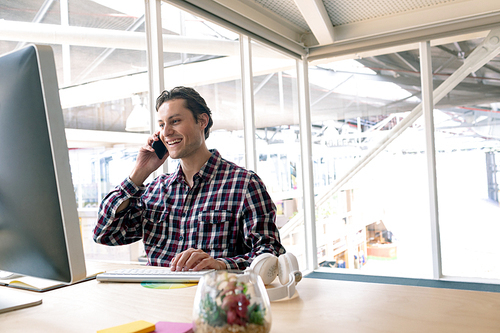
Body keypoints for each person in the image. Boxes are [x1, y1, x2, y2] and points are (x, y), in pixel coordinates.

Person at [93, 86, 285, 271]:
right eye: (161, 125)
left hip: (212, 299)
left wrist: (220, 264)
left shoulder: (244, 184)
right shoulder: (155, 190)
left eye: (175, 121)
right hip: (157, 299)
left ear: (202, 121)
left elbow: (271, 254)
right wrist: (139, 173)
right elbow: (105, 234)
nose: (165, 132)